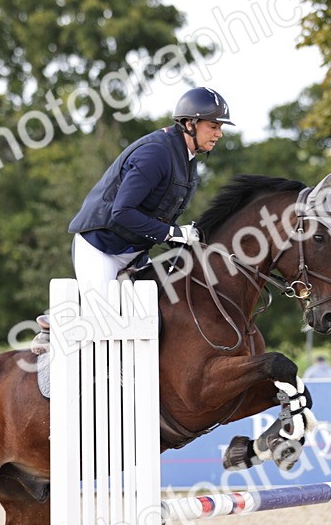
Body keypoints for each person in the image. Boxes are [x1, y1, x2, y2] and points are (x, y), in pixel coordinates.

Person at [31, 87, 234, 353]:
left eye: (220, 126)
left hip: (134, 253)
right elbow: (122, 212)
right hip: (101, 246)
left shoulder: (188, 158)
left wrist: (185, 239)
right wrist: (173, 233)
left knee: (158, 316)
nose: (219, 133)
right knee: (105, 328)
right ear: (189, 124)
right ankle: (54, 328)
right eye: (213, 126)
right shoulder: (156, 154)